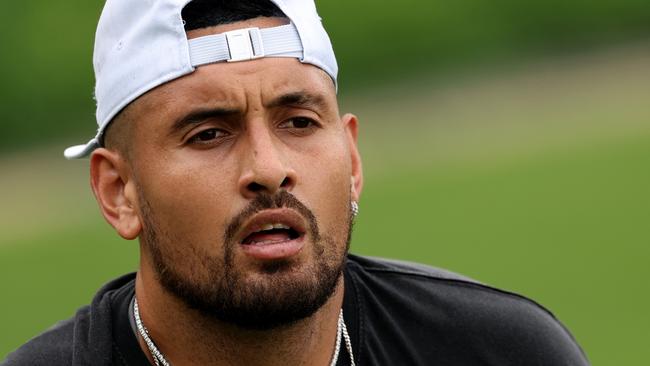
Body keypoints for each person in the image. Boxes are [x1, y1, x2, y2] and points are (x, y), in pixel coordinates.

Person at [2, 0, 590, 365]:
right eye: (208, 134)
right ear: (118, 192)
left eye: (300, 122)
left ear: (353, 161)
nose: (267, 168)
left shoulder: (497, 351)